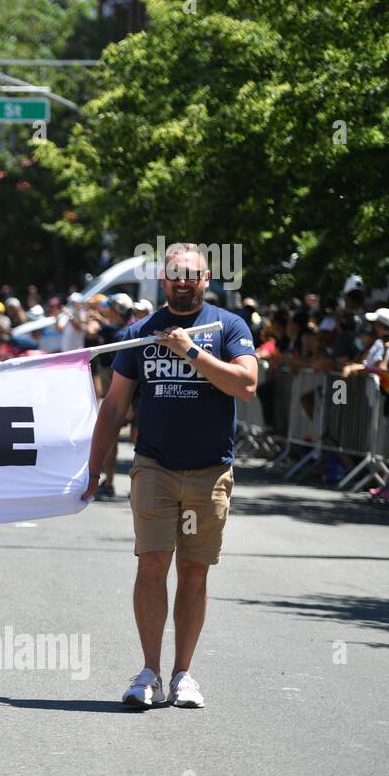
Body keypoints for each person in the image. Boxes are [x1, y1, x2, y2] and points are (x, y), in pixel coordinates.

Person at [83, 243, 258, 709]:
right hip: (155, 468)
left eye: (192, 275)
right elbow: (115, 406)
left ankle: (183, 674)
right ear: (163, 282)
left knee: (194, 572)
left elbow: (245, 384)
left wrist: (191, 353)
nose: (183, 282)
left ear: (206, 280)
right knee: (152, 565)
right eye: (175, 275)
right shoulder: (141, 332)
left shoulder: (229, 327)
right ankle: (148, 672)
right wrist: (95, 469)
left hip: (209, 472)